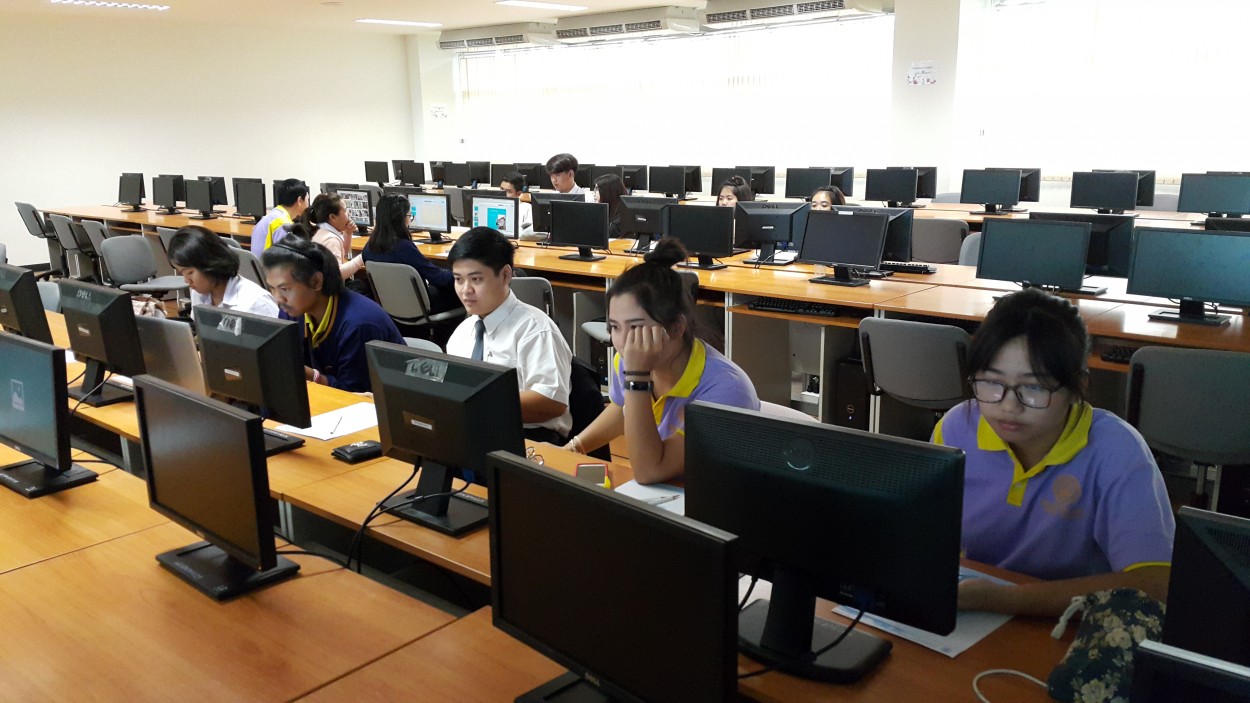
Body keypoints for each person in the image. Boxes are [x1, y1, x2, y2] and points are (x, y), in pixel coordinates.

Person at [933, 288, 1174, 617]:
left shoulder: (1117, 451)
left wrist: (1005, 600)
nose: (1008, 406)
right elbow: (924, 534)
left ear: (1078, 387)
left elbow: (1156, 584)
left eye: (1034, 388)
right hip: (970, 611)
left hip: (1070, 623)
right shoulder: (956, 429)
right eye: (991, 382)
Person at [567, 238, 759, 484]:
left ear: (676, 327)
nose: (623, 342)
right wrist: (574, 447)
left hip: (717, 495)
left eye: (636, 327)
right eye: (614, 327)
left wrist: (637, 378)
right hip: (667, 491)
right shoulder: (629, 361)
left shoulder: (727, 390)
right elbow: (622, 409)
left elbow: (648, 471)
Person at [445, 227, 573, 444]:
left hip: (529, 438)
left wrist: (480, 403)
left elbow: (552, 402)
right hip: (475, 432)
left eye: (476, 279)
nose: (466, 290)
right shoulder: (462, 332)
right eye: (458, 279)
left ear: (505, 275)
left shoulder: (535, 329)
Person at [261, 236, 404, 393]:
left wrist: (310, 375)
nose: (278, 299)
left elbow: (355, 396)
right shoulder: (293, 310)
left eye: (284, 289)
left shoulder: (359, 324)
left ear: (316, 281)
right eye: (272, 288)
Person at [361, 193, 457, 313]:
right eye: (409, 215)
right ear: (400, 219)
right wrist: (459, 274)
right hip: (421, 307)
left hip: (390, 307)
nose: (410, 219)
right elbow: (439, 279)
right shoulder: (404, 248)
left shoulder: (368, 248)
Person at [167, 225, 278, 317]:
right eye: (182, 273)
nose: (187, 281)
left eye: (190, 273)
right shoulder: (199, 293)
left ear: (209, 263)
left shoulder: (256, 303)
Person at [305, 193, 364, 280]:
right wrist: (362, 257)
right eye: (345, 210)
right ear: (332, 217)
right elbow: (337, 275)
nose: (349, 214)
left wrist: (348, 233)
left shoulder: (316, 230)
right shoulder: (331, 239)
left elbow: (341, 255)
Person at [251, 178, 308, 256]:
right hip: (268, 263)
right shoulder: (283, 224)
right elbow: (285, 257)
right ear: (299, 201)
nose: (308, 204)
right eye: (307, 199)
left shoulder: (272, 216)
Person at [500, 171, 534, 235]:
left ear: (518, 193)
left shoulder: (527, 209)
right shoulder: (492, 205)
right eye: (502, 189)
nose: (503, 194)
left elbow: (529, 234)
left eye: (508, 191)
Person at [595, 173, 627, 238]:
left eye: (597, 189)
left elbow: (602, 235)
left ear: (608, 192)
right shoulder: (607, 211)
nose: (594, 193)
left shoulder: (621, 218)